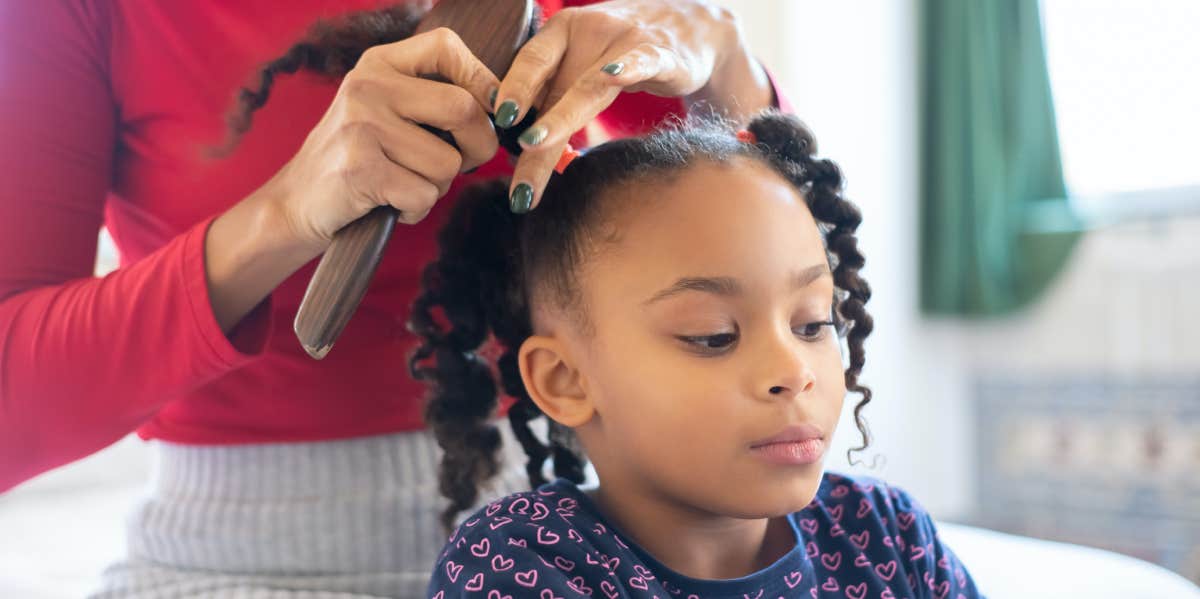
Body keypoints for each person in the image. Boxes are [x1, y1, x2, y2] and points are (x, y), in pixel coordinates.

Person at [0, 0, 792, 596]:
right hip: (222, 563)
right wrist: (282, 215)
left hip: (571, 549)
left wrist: (726, 62)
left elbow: (800, 279)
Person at [418, 111, 984, 598]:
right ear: (566, 379)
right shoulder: (521, 567)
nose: (794, 372)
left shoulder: (885, 535)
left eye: (812, 324)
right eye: (715, 336)